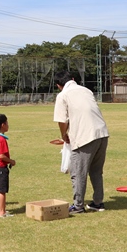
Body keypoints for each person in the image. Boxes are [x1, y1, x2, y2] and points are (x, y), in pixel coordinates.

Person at [53, 71, 109, 214]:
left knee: (78, 173)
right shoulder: (86, 90)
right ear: (72, 79)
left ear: (59, 85)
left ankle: (78, 206)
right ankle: (98, 202)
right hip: (102, 133)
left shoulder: (63, 95)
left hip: (85, 136)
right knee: (96, 171)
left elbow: (62, 120)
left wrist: (64, 135)